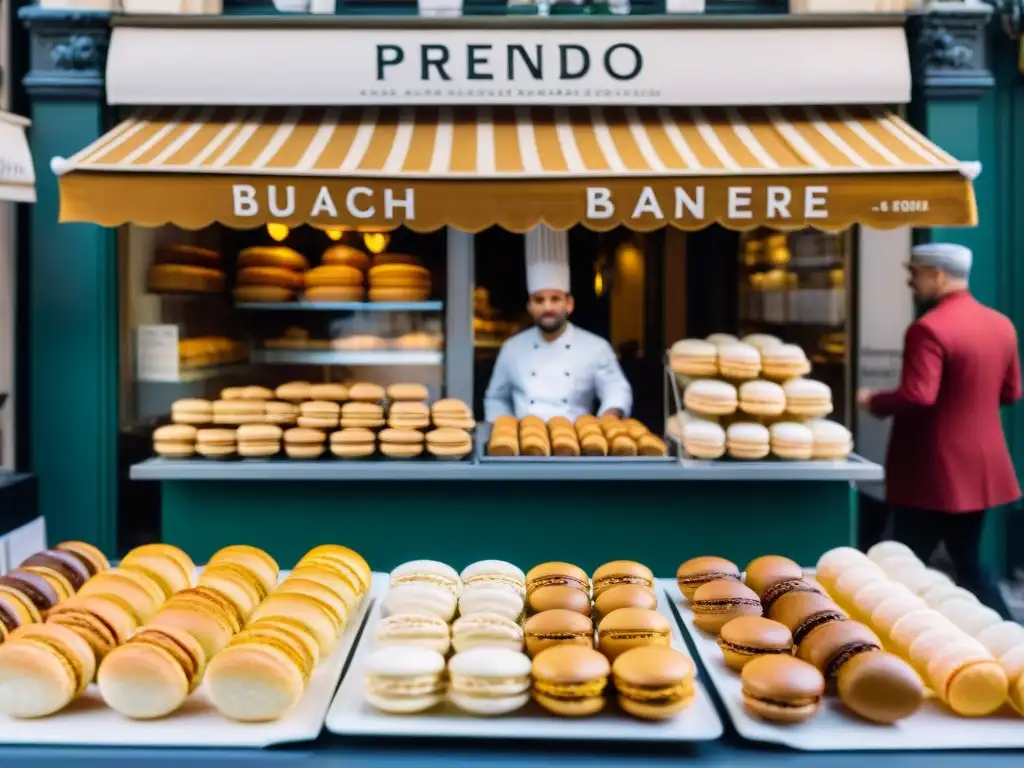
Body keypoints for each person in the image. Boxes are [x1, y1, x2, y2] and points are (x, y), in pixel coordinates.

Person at [857, 243, 1021, 616]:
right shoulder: (1001, 324)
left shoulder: (928, 328)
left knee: (902, 566)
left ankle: (889, 638)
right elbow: (1012, 392)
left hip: (932, 471)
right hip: (980, 470)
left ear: (938, 275)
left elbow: (919, 395)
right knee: (967, 562)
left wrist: (874, 400)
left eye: (914, 273)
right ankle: (1011, 636)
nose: (910, 281)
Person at [484, 225, 633, 422]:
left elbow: (616, 389)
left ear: (569, 304)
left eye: (555, 299)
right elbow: (496, 397)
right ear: (529, 306)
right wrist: (502, 426)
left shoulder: (595, 347)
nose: (547, 307)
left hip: (578, 446)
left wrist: (609, 415)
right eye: (539, 300)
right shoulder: (512, 348)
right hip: (522, 448)